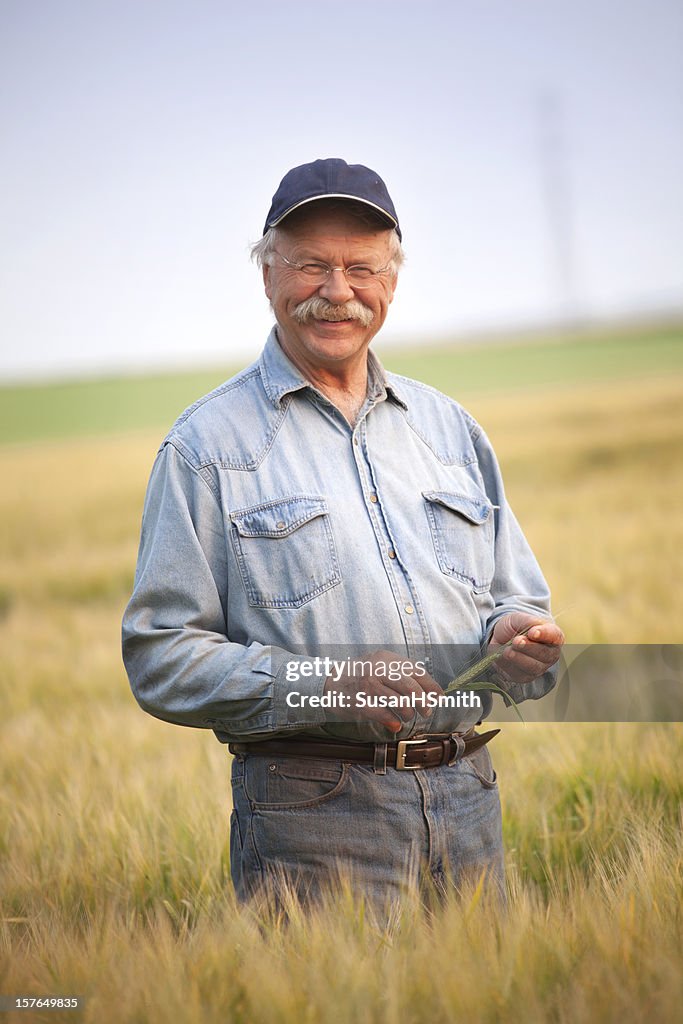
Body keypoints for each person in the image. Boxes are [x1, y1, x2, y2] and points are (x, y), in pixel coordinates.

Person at [122, 157, 564, 908]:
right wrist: (322, 684)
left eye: (361, 268)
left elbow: (511, 604)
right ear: (267, 275)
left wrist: (518, 638)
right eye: (310, 266)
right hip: (314, 815)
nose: (337, 292)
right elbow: (161, 656)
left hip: (468, 799)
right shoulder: (206, 445)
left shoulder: (448, 430)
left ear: (391, 282)